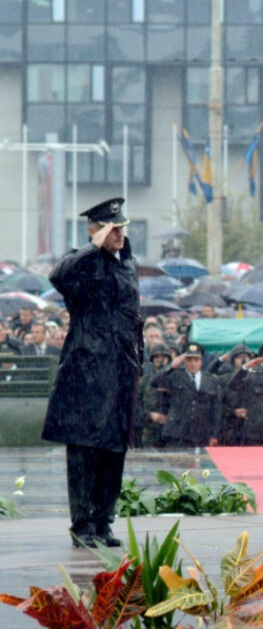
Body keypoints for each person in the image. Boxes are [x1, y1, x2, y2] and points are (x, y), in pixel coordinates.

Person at [41, 197, 142, 548]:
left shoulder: (129, 266)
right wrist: (91, 249)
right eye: (113, 229)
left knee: (114, 450)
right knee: (85, 450)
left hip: (121, 371)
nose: (120, 234)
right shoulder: (81, 264)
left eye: (122, 228)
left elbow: (134, 319)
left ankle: (103, 520)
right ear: (95, 230)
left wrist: (137, 363)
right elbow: (57, 276)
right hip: (86, 370)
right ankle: (83, 524)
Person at [150, 342, 222, 447]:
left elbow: (216, 410)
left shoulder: (211, 380)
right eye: (189, 360)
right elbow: (154, 382)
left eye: (196, 360)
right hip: (177, 433)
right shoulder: (176, 375)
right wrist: (171, 366)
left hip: (201, 433)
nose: (193, 364)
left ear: (201, 361)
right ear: (184, 361)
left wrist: (214, 435)